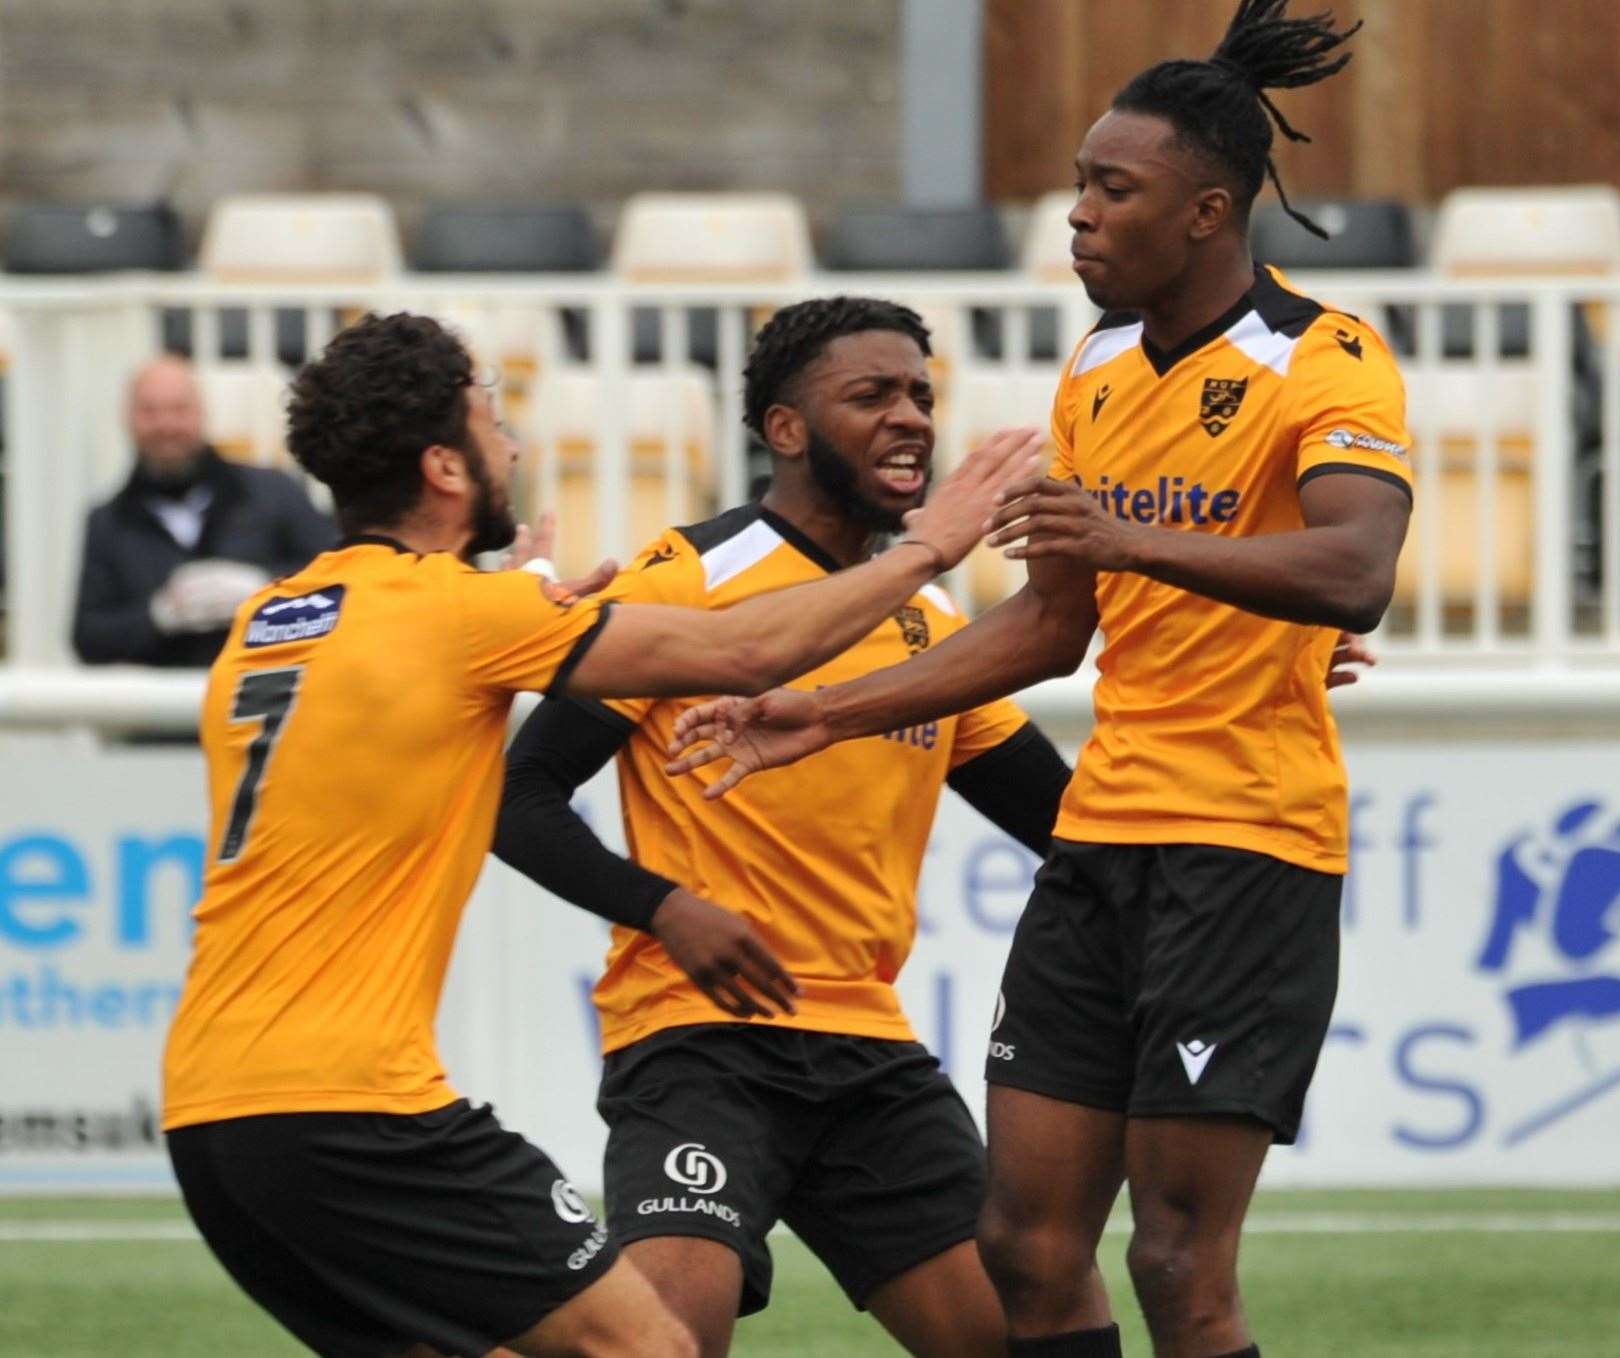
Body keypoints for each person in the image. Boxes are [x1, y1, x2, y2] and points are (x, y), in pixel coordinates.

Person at [663, 4, 1412, 1356]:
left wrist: (1124, 537)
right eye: (1076, 183)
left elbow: (1357, 568)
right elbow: (1050, 628)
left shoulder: (1326, 357)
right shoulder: (1099, 368)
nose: (1075, 215)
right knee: (1024, 1245)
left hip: (1243, 845)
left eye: (1109, 189)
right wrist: (818, 709)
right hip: (1102, 846)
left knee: (1180, 1264)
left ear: (1204, 212)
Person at [160, 311, 1041, 1358]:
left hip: (213, 1112)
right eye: (493, 426)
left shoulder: (270, 621)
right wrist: (939, 540)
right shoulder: (465, 614)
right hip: (364, 1097)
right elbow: (746, 649)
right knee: (652, 1346)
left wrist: (517, 609)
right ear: (445, 465)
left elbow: (417, 675)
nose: (518, 448)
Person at [494, 296, 1076, 1358]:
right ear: (785, 429)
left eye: (919, 396)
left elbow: (1068, 823)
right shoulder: (683, 578)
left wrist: (1239, 672)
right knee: (664, 1340)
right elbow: (515, 796)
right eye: (871, 395)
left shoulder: (930, 626)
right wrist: (664, 908)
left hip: (868, 1054)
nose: (908, 417)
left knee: (1029, 1332)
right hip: (697, 1042)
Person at [72, 353, 334, 666]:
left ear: (202, 413)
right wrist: (156, 616)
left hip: (268, 699)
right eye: (149, 411)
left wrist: (263, 590)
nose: (166, 425)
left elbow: (338, 578)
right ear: (127, 419)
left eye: (179, 409)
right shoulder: (107, 522)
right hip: (158, 710)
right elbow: (88, 638)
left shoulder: (274, 493)